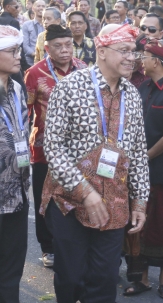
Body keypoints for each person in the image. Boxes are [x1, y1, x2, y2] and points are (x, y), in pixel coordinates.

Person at [40, 23, 149, 303]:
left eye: (134, 52)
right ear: (101, 51)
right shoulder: (70, 87)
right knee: (71, 276)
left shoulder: (133, 95)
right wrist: (86, 193)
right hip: (69, 201)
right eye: (123, 51)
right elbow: (53, 147)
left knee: (104, 279)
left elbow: (137, 152)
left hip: (114, 202)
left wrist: (139, 202)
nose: (131, 58)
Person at [123, 38, 163, 300]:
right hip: (138, 169)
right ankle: (140, 278)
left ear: (157, 62)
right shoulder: (143, 86)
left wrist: (142, 158)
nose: (140, 59)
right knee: (137, 221)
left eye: (145, 55)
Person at [24, 24, 86, 270]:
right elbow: (24, 112)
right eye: (58, 46)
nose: (64, 50)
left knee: (75, 196)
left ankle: (73, 244)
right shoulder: (35, 73)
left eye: (68, 45)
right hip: (44, 151)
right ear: (46, 48)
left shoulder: (83, 69)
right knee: (44, 200)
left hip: (78, 150)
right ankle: (47, 247)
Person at [0, 25, 30, 303]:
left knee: (12, 267)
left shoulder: (18, 88)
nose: (18, 55)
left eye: (19, 49)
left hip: (17, 192)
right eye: (11, 50)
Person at [21, 0, 45, 66]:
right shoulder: (26, 25)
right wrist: (36, 55)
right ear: (33, 8)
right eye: (38, 6)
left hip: (48, 60)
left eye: (43, 6)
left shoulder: (49, 24)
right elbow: (25, 45)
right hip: (31, 62)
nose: (41, 8)